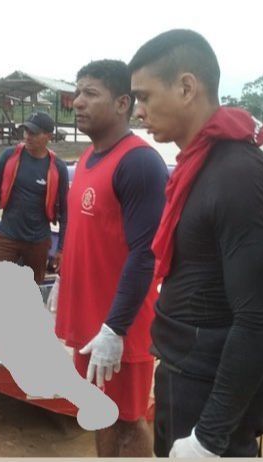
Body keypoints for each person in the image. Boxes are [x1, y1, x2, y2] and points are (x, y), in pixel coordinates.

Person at [128, 29, 263, 457]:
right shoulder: (196, 167)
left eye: (144, 97)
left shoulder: (241, 176)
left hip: (213, 392)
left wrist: (209, 438)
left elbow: (257, 321)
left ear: (185, 87)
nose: (138, 111)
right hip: (184, 372)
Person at [54, 59, 169, 457]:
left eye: (91, 93)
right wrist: (62, 280)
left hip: (119, 328)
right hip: (89, 321)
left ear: (123, 103)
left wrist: (115, 329)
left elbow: (146, 252)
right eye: (77, 91)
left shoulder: (138, 162)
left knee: (127, 422)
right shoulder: (86, 159)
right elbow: (82, 233)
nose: (77, 102)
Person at [0, 111, 68, 284]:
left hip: (38, 242)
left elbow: (65, 212)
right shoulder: (9, 156)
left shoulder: (58, 167)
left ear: (48, 136)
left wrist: (61, 249)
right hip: (8, 235)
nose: (28, 136)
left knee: (32, 291)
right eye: (26, 131)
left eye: (34, 133)